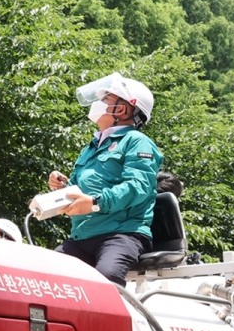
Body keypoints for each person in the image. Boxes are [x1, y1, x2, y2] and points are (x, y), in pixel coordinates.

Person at [47, 73, 162, 284]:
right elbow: (80, 191)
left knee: (106, 279)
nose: (99, 104)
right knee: (47, 277)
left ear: (122, 109)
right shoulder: (92, 146)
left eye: (105, 100)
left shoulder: (137, 141)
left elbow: (137, 187)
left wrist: (94, 203)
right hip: (82, 236)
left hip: (121, 235)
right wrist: (62, 188)